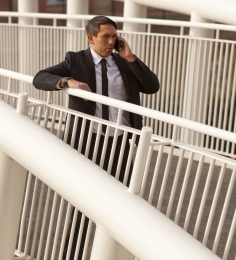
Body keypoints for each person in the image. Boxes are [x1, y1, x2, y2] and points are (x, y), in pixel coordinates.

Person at [32, 15, 159, 259]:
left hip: (120, 142)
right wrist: (67, 81)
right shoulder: (75, 60)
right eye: (105, 36)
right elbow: (40, 78)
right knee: (83, 207)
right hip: (88, 142)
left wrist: (130, 57)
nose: (111, 41)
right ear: (90, 38)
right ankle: (74, 254)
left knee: (125, 206)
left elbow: (152, 86)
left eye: (114, 36)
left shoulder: (123, 63)